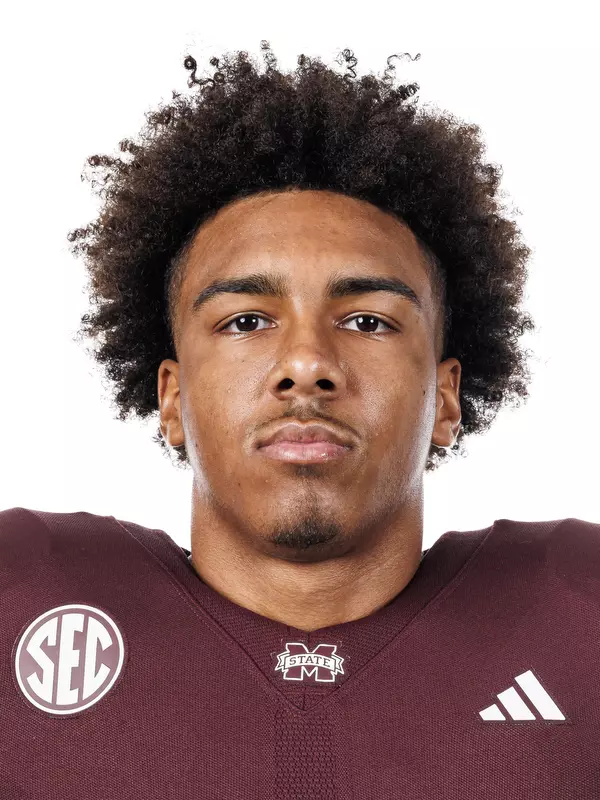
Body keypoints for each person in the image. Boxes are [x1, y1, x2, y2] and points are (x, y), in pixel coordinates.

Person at [1, 43, 598, 799]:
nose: (307, 362)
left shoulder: (581, 622)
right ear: (172, 399)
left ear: (446, 399)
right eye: (248, 320)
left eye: (370, 321)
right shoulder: (20, 596)